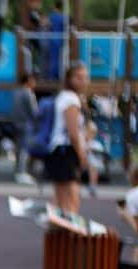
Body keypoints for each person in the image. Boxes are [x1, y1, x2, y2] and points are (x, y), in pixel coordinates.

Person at [46, 63, 95, 214]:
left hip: (57, 149)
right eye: (79, 77)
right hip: (66, 150)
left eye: (86, 78)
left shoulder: (64, 97)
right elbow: (72, 132)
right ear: (69, 79)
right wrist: (81, 155)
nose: (83, 81)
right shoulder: (71, 100)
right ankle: (69, 230)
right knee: (72, 196)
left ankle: (56, 230)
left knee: (60, 196)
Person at [10, 72, 38, 184]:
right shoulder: (28, 93)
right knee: (24, 149)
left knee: (18, 148)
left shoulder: (16, 92)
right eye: (33, 80)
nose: (35, 83)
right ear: (28, 81)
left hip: (16, 123)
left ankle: (17, 171)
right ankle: (21, 173)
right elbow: (34, 112)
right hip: (26, 124)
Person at [46, 0, 68, 81]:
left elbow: (48, 26)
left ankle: (52, 77)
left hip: (53, 39)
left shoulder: (52, 16)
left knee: (53, 59)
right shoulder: (63, 17)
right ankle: (58, 76)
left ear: (55, 6)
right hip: (60, 39)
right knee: (59, 59)